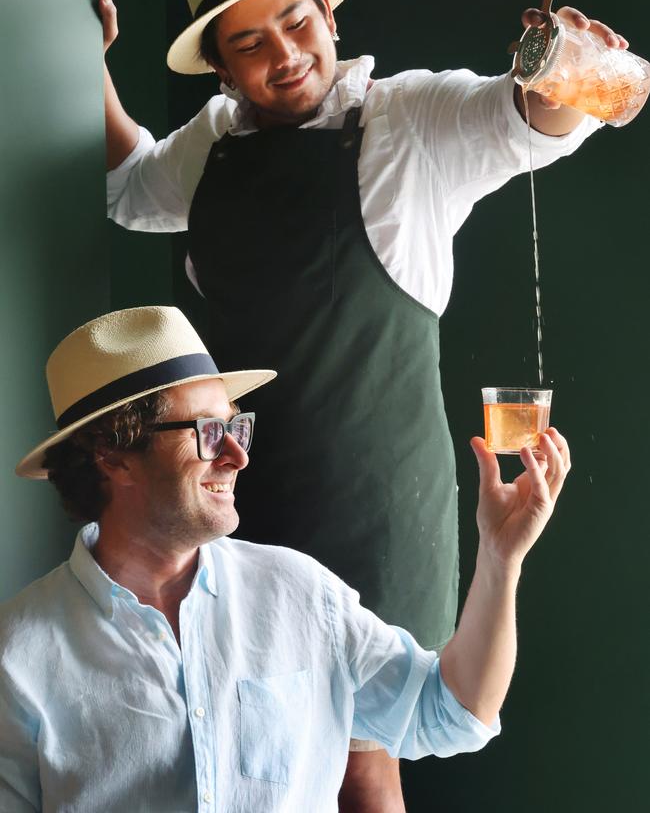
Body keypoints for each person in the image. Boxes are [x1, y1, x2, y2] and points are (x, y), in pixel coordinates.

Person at [100, 0, 623, 808]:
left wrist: (562, 69)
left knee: (358, 749)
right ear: (222, 68)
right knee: (245, 740)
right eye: (251, 44)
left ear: (330, 16)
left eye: (296, 23)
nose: (286, 55)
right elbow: (130, 182)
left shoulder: (409, 118)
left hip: (374, 502)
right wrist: (87, 63)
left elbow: (530, 118)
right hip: (234, 493)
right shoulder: (211, 145)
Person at [0, 305, 570, 813]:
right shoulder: (18, 655)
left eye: (234, 426)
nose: (237, 455)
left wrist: (501, 556)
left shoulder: (300, 592)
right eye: (207, 432)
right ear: (114, 455)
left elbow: (451, 713)